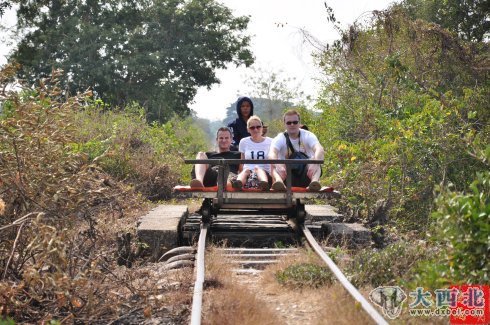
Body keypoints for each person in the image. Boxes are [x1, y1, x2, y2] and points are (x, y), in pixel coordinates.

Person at [269, 109, 324, 191]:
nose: (292, 125)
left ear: (299, 123)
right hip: (287, 174)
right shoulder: (280, 138)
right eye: (289, 123)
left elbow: (319, 149)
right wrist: (278, 164)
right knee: (274, 164)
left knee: (316, 160)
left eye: (295, 122)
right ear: (284, 124)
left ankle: (314, 183)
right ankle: (279, 182)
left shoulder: (308, 135)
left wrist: (315, 162)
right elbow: (272, 153)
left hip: (307, 173)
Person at [233, 116, 273, 191]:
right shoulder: (244, 142)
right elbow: (242, 162)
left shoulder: (271, 142)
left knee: (258, 169)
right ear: (248, 129)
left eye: (258, 127)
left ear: (262, 128)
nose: (255, 129)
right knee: (246, 170)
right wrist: (240, 172)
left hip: (265, 173)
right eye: (252, 128)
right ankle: (239, 183)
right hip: (249, 174)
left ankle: (264, 183)